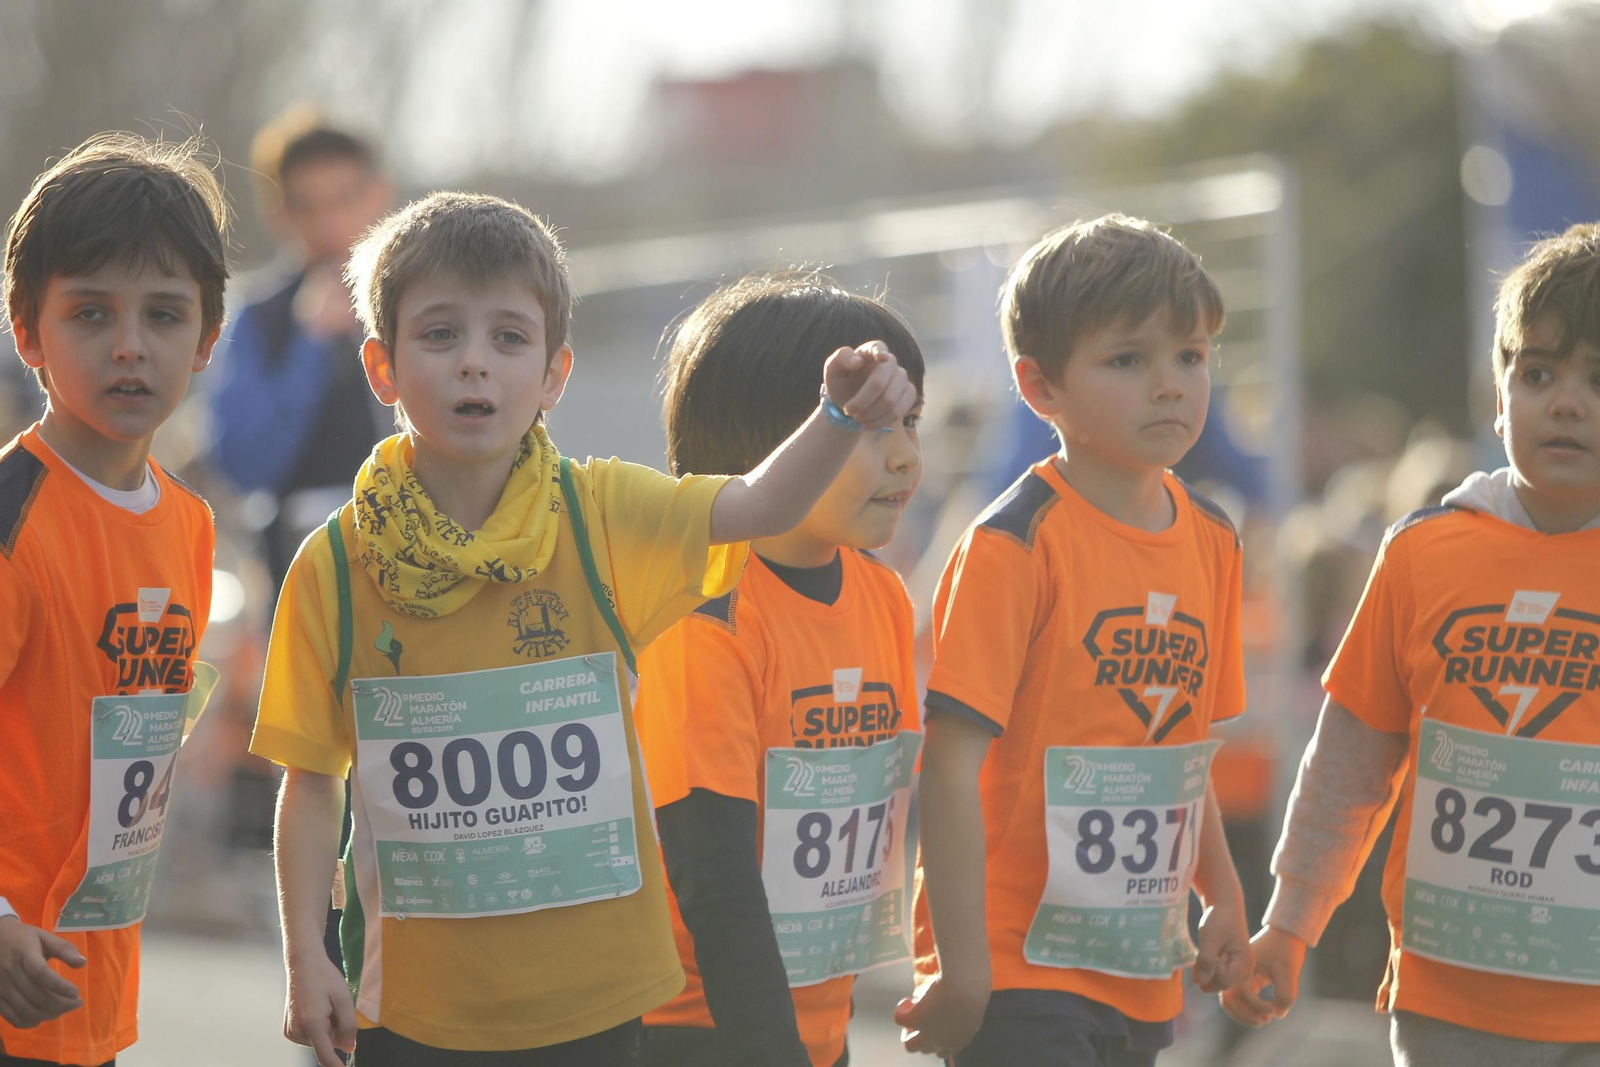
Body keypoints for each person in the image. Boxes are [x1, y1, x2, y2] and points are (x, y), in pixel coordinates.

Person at [248, 193, 919, 1067]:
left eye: (510, 338)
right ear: (382, 366)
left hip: (598, 1012)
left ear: (555, 374)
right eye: (441, 334)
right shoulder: (332, 568)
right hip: (411, 1011)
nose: (475, 366)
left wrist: (840, 416)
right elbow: (309, 784)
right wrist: (307, 959)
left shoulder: (603, 513)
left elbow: (760, 504)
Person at [1224, 223, 1600, 1064]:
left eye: (1597, 378)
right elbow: (1349, 759)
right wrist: (1289, 924)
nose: (1567, 401)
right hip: (1451, 1005)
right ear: (1497, 395)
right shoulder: (1423, 551)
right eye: (1538, 373)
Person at [897, 215, 1254, 1065]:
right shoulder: (1013, 542)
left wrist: (1225, 894)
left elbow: (1180, 746)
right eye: (1128, 359)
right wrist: (963, 967)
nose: (1169, 384)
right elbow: (947, 764)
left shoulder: (1214, 538)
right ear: (1040, 385)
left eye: (1190, 356)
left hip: (1138, 960)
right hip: (1018, 966)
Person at [633, 273, 926, 1067]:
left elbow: (890, 807)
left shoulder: (884, 596)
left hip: (815, 1029)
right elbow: (712, 869)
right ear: (776, 442)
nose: (906, 456)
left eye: (910, 420)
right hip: (693, 1033)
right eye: (871, 427)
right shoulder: (704, 605)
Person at [0, 133, 229, 1067]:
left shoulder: (190, 525)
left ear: (208, 338)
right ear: (28, 331)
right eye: (91, 313)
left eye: (165, 315)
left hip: (90, 989)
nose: (131, 346)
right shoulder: (14, 516)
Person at [210, 111, 393, 592]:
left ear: (377, 196)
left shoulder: (422, 307)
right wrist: (308, 348)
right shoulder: (259, 319)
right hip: (302, 583)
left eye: (344, 200)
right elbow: (244, 466)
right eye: (308, 207)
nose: (329, 223)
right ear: (280, 215)